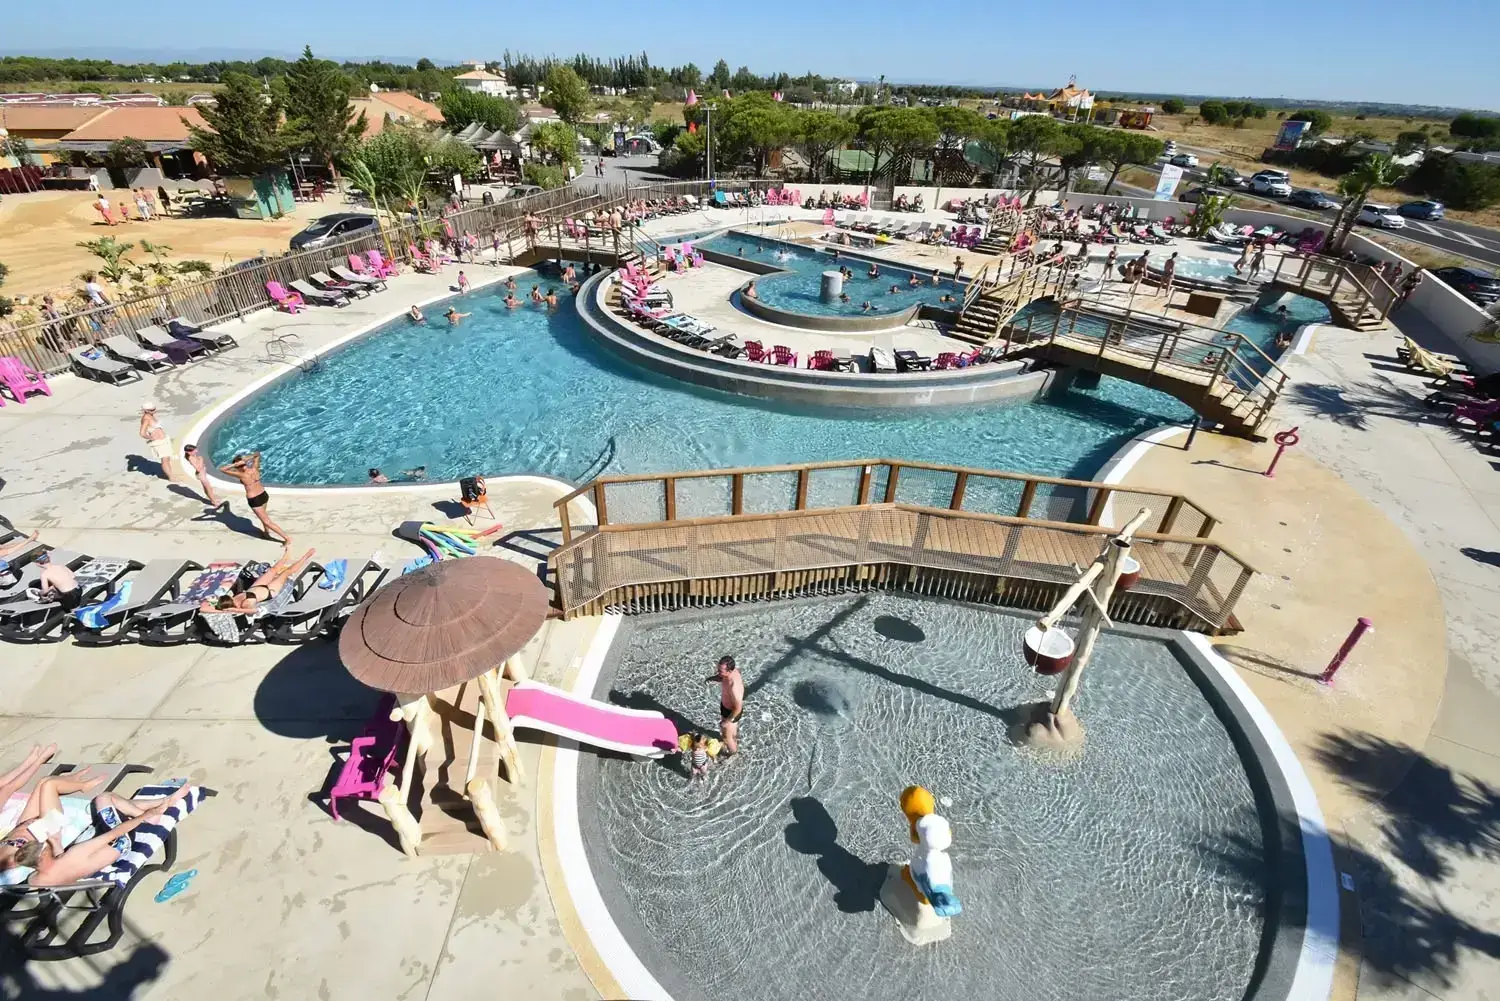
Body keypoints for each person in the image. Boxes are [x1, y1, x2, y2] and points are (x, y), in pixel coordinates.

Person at [202, 544, 315, 614]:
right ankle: (306, 557)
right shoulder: (245, 604)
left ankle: (287, 555)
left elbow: (203, 608)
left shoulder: (230, 601)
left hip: (255, 587)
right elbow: (254, 611)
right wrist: (236, 610)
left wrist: (215, 606)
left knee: (273, 569)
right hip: (269, 591)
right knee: (286, 573)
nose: (233, 598)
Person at [218, 452, 288, 543]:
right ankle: (266, 533)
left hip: (255, 500)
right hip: (263, 495)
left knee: (267, 521)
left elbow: (222, 469)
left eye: (238, 466)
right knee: (264, 517)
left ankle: (287, 539)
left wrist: (235, 464)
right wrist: (246, 459)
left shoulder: (241, 474)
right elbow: (257, 454)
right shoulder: (255, 468)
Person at [707, 655, 745, 756]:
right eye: (718, 669)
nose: (718, 673)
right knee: (731, 733)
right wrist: (713, 678)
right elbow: (722, 677)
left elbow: (738, 708)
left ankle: (733, 754)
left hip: (731, 712)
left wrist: (727, 721)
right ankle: (734, 739)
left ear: (729, 671)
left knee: (726, 737)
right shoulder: (733, 671)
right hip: (726, 707)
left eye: (721, 671)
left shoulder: (733, 687)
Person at [138, 403, 185, 483]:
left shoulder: (150, 416)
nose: (154, 411)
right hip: (159, 442)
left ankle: (170, 474)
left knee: (167, 458)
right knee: (165, 459)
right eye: (152, 410)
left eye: (154, 409)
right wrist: (151, 437)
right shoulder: (146, 419)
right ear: (146, 410)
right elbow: (142, 433)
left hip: (163, 441)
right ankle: (171, 477)